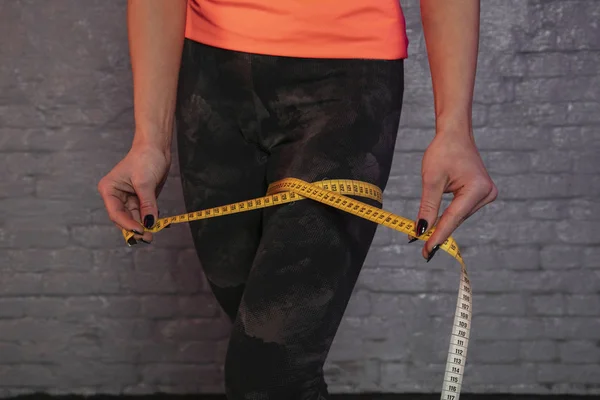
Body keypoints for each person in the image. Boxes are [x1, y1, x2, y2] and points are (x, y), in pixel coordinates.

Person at [98, 0, 497, 398]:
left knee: (270, 372)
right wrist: (150, 142)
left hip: (347, 90)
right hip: (210, 88)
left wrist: (455, 129)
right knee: (265, 357)